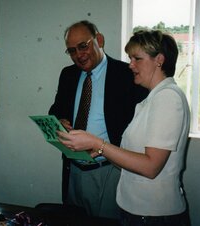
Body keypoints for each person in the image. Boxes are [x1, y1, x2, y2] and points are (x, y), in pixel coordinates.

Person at [57, 29, 191, 226]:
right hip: (138, 210)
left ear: (159, 60)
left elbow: (151, 167)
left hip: (154, 214)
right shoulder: (151, 99)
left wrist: (98, 144)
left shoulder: (167, 98)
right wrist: (100, 150)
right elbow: (131, 159)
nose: (131, 65)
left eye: (137, 59)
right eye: (130, 58)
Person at [48, 20, 148, 219]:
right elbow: (56, 109)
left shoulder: (126, 74)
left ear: (99, 40)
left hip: (110, 170)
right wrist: (61, 119)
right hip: (73, 169)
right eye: (72, 50)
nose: (78, 55)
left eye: (83, 46)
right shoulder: (68, 74)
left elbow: (143, 121)